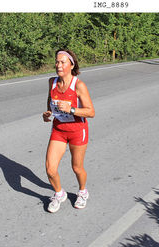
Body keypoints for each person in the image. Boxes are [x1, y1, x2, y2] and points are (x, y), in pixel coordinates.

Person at [43, 49, 95, 213]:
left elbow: (91, 112)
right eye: (57, 62)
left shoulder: (78, 85)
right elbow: (50, 100)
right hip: (58, 129)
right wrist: (48, 114)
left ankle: (82, 191)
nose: (58, 65)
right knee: (50, 169)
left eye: (62, 62)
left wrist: (71, 109)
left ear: (71, 65)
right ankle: (59, 194)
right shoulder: (52, 82)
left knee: (77, 167)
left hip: (77, 131)